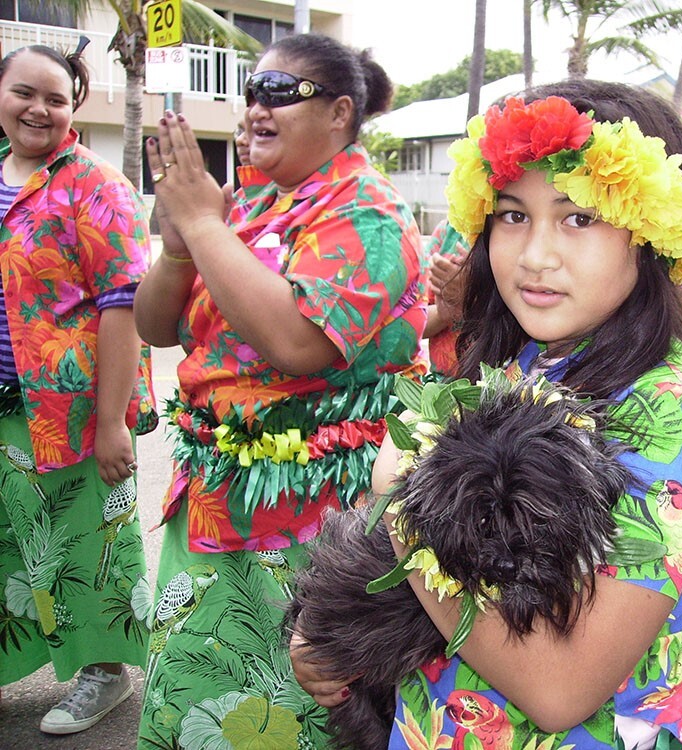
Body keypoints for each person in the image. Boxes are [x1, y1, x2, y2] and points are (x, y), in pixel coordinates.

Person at [293, 79, 682, 750]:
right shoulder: (520, 360)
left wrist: (400, 512)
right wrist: (327, 625)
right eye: (511, 214)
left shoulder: (674, 424)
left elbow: (560, 689)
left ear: (650, 231)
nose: (535, 256)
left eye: (578, 217)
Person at [133, 33, 426, 748]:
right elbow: (157, 325)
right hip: (212, 499)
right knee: (196, 692)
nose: (257, 107)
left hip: (313, 522)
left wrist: (203, 223)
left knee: (297, 708)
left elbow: (301, 343)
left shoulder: (368, 214)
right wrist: (181, 241)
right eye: (252, 91)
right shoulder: (249, 202)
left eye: (280, 92)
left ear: (339, 112)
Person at [0, 41, 157, 734]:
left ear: (75, 107)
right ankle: (19, 662)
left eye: (56, 99)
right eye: (24, 93)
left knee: (89, 537)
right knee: (15, 540)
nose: (39, 108)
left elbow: (121, 303)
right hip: (5, 401)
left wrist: (112, 422)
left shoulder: (94, 185)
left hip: (70, 406)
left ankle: (105, 674)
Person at [421, 218, 468, 378]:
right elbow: (414, 321)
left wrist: (474, 295)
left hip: (501, 386)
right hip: (441, 382)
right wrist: (446, 312)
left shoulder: (508, 233)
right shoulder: (447, 232)